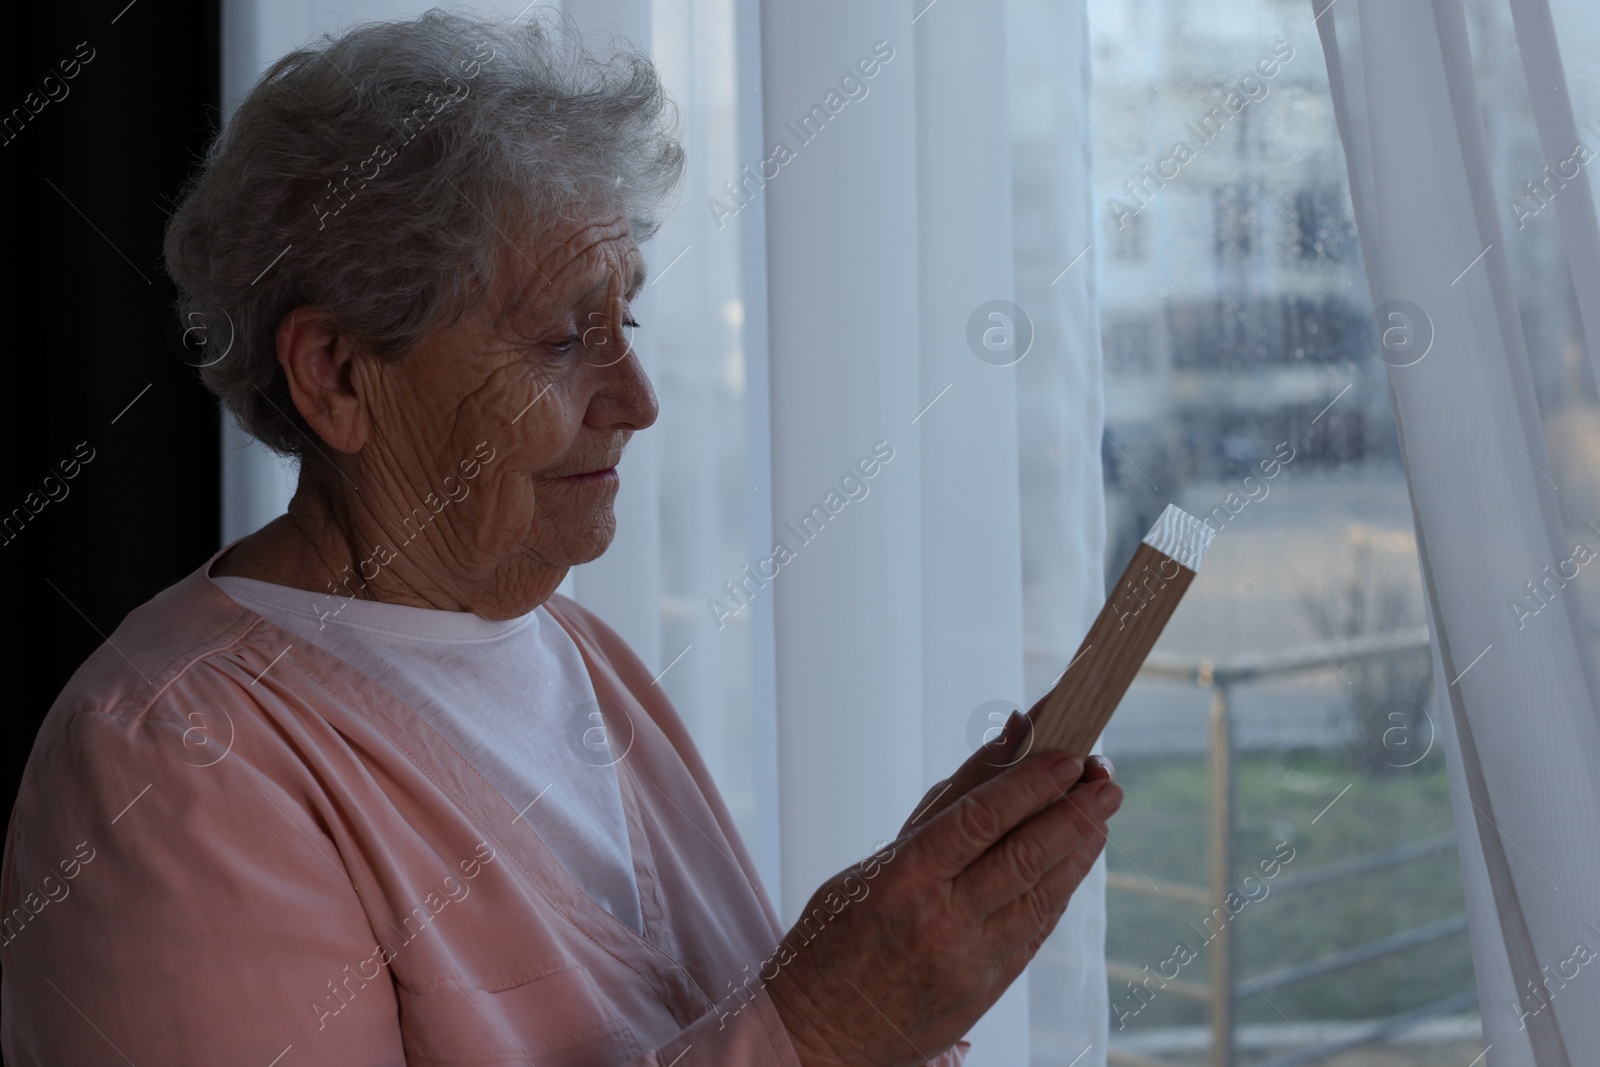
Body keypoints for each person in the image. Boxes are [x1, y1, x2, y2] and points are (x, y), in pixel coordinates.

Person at [0, 10, 1121, 1064]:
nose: (636, 397)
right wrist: (826, 1024)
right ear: (337, 375)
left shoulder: (577, 651)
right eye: (558, 337)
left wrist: (892, 952)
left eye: (622, 322)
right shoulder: (169, 756)